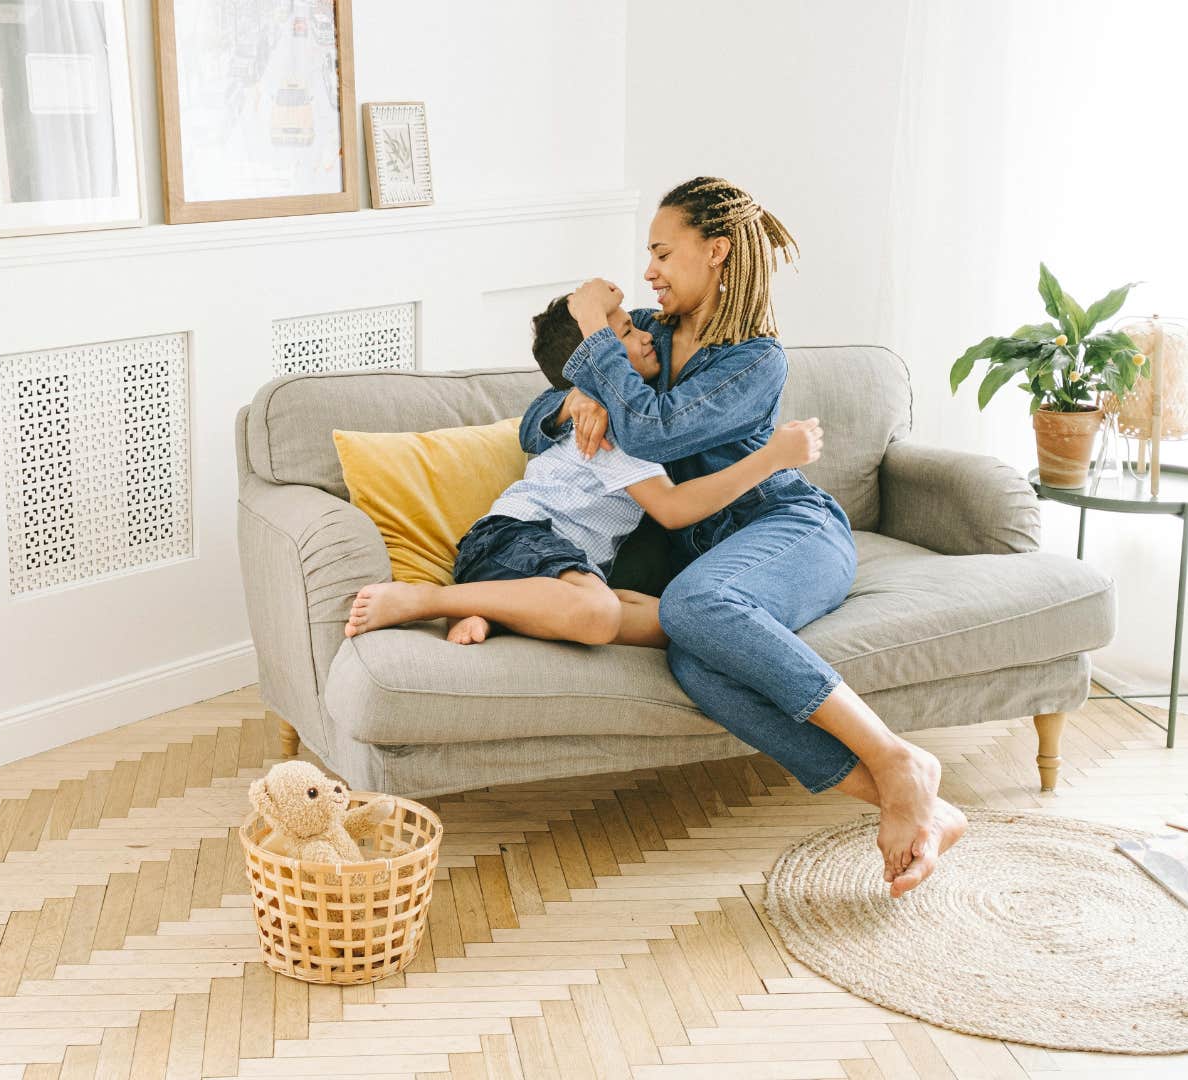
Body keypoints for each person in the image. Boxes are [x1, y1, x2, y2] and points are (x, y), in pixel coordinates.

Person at [523, 177, 966, 897]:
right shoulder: (647, 332)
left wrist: (595, 343)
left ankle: (896, 759)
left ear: (717, 250)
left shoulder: (755, 359)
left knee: (691, 609)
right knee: (697, 667)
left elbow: (653, 427)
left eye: (663, 252)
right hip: (714, 557)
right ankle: (918, 806)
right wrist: (571, 398)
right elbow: (536, 411)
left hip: (791, 529)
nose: (649, 273)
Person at [343, 295, 822, 650]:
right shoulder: (610, 422)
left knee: (678, 624)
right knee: (597, 614)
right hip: (517, 538)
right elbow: (673, 509)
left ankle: (490, 610)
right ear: (596, 365)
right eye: (625, 336)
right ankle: (427, 599)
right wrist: (773, 457)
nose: (644, 333)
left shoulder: (619, 411)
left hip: (550, 564)